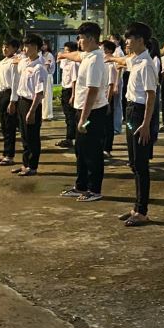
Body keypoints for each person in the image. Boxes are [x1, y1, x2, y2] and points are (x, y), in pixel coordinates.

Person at [116, 22, 159, 227]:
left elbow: (151, 95)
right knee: (133, 162)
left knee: (141, 164)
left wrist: (146, 124)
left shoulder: (147, 64)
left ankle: (142, 211)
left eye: (130, 39)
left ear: (141, 40)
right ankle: (136, 207)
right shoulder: (136, 60)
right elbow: (123, 61)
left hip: (140, 115)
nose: (127, 42)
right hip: (131, 112)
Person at [61, 21, 109, 202]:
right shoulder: (88, 55)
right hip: (82, 109)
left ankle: (94, 189)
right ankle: (80, 185)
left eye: (80, 38)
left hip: (92, 113)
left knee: (91, 151)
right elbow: (76, 55)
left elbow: (92, 90)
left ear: (90, 39)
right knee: (80, 149)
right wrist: (63, 54)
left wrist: (83, 118)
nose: (78, 42)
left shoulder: (96, 60)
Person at [12, 33, 47, 176]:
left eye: (27, 46)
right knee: (24, 135)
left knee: (32, 136)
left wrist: (32, 111)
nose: (24, 49)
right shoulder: (25, 63)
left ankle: (32, 166)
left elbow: (39, 93)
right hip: (22, 101)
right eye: (24, 45)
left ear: (35, 47)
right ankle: (25, 164)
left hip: (32, 104)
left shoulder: (39, 68)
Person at [57, 41, 80, 148]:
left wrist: (73, 95)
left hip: (70, 90)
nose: (64, 53)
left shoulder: (74, 64)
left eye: (66, 51)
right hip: (65, 89)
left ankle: (70, 138)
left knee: (71, 116)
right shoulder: (66, 62)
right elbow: (60, 62)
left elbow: (74, 80)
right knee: (67, 115)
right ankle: (70, 137)